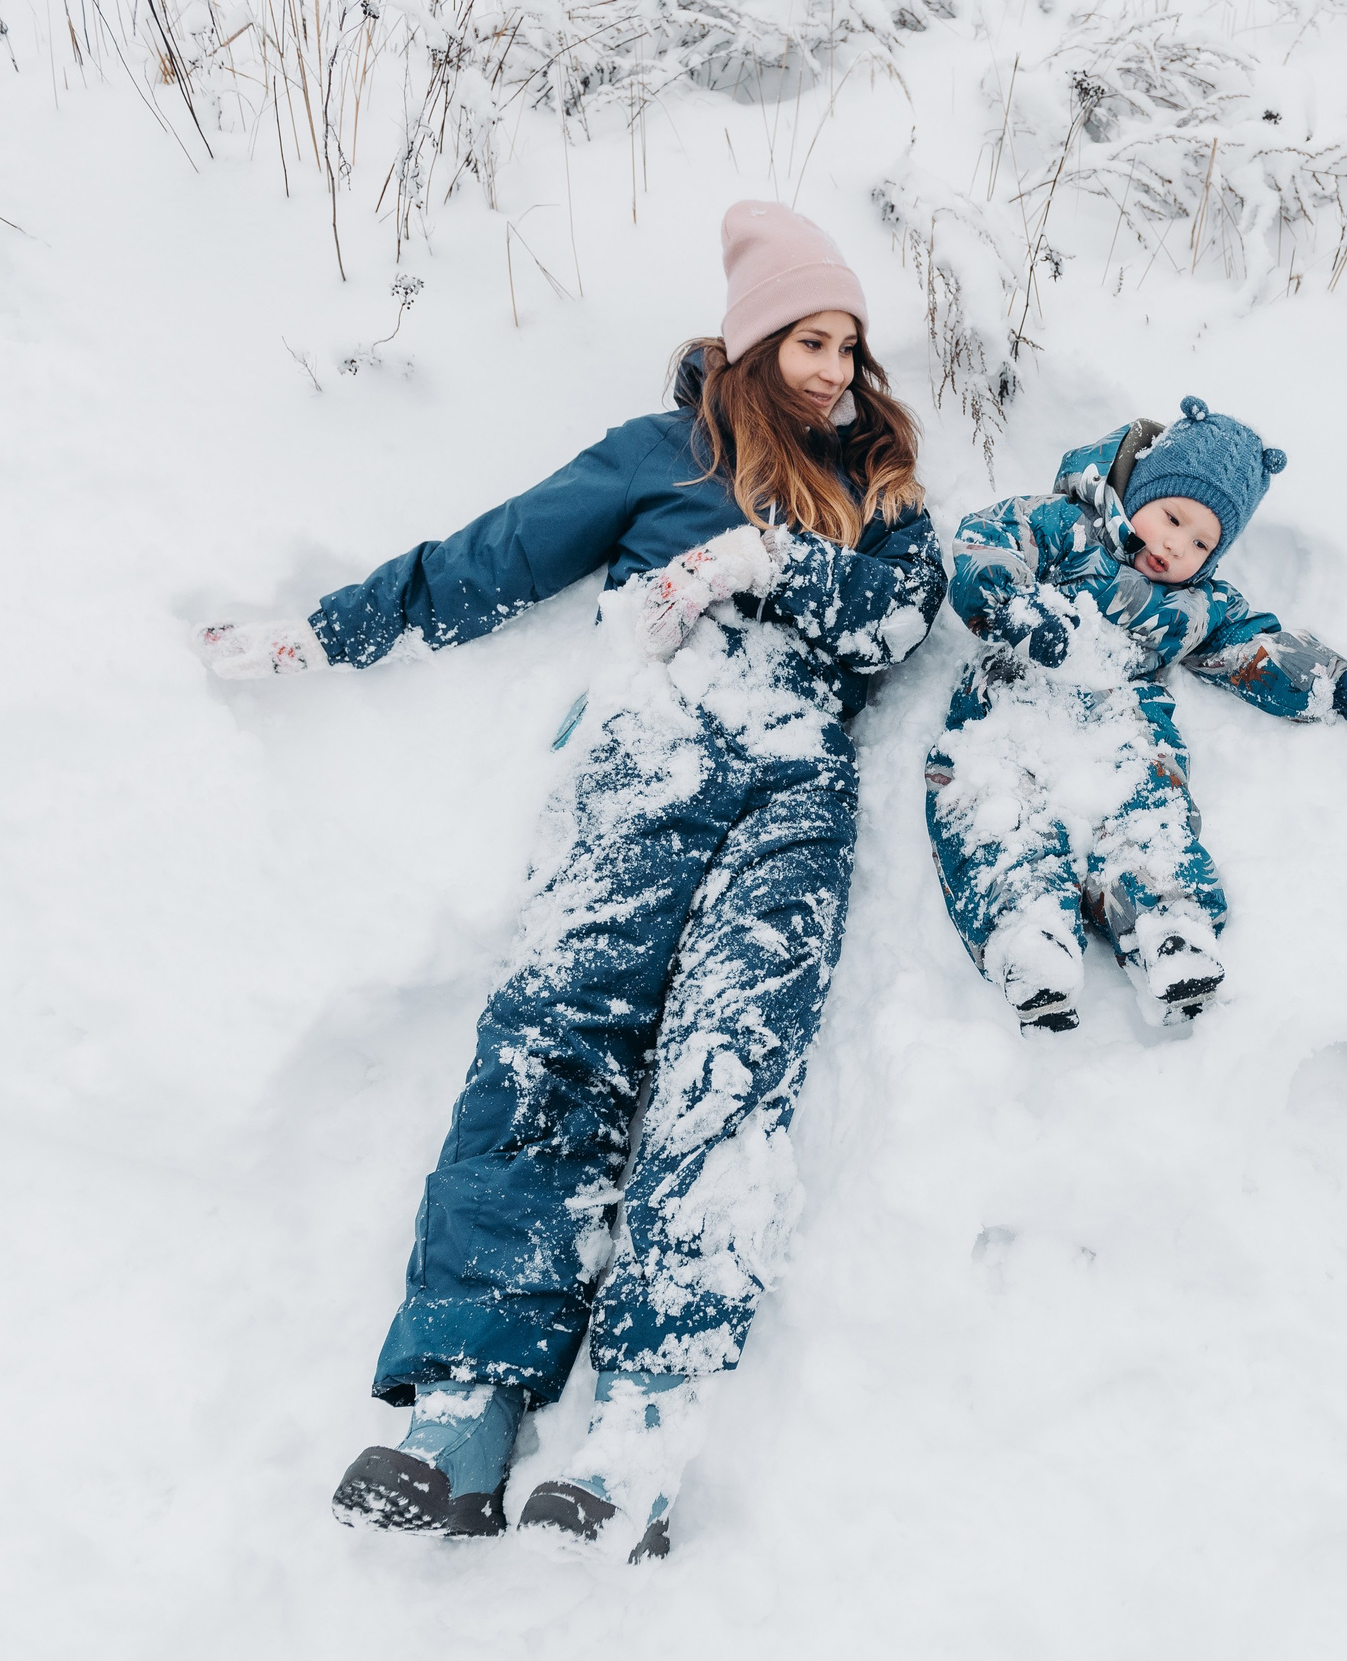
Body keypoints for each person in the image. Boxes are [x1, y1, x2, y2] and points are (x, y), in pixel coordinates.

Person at [197, 202, 940, 1559]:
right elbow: (499, 552)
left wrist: (772, 558)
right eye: (810, 339)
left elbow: (899, 620)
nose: (835, 368)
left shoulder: (882, 484)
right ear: (755, 339)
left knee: (726, 1066)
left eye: (849, 343)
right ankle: (465, 1409)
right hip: (644, 760)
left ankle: (640, 1427)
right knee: (549, 1044)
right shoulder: (662, 455)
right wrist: (329, 629)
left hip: (790, 779)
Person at [925, 397, 1347, 1033]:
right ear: (1138, 490)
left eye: (1201, 541)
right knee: (993, 799)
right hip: (1016, 694)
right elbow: (986, 541)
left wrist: (1341, 687)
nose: (1176, 545)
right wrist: (1017, 610)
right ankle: (1027, 932)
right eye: (1172, 516)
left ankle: (1168, 928)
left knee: (1149, 808)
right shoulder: (1063, 527)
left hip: (1123, 719)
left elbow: (1257, 650)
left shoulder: (1200, 605)